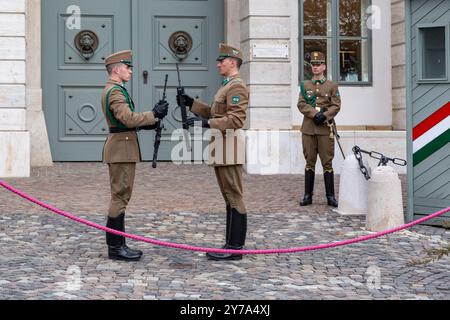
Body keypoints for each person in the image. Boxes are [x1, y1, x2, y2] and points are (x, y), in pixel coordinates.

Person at [177, 43, 249, 261]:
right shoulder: (226, 85)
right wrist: (191, 103)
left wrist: (206, 124)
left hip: (229, 147)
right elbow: (213, 111)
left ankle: (236, 247)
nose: (218, 63)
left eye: (222, 60)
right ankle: (229, 243)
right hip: (221, 147)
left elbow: (236, 119)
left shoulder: (236, 87)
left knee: (234, 196)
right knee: (228, 197)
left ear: (233, 62)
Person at [101, 50, 169, 261]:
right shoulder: (115, 92)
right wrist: (153, 114)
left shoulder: (116, 90)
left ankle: (119, 244)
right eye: (127, 67)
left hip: (123, 146)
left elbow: (125, 123)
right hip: (121, 150)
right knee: (120, 197)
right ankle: (116, 247)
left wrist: (152, 122)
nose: (130, 70)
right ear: (116, 69)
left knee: (121, 197)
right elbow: (128, 119)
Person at [297, 51, 341, 207]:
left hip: (324, 129)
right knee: (309, 162)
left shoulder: (331, 85)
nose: (315, 68)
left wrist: (325, 115)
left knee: (327, 163)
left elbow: (336, 105)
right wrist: (315, 114)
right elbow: (301, 104)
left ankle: (330, 196)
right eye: (313, 65)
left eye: (318, 65)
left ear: (324, 66)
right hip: (308, 129)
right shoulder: (305, 85)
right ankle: (307, 196)